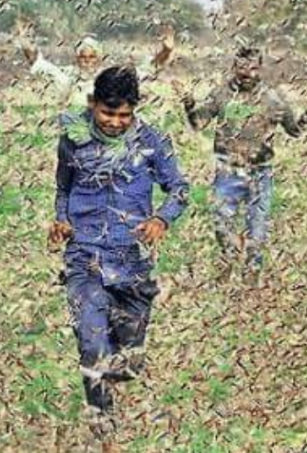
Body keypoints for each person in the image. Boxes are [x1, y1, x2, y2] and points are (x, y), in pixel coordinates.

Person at [49, 66, 189, 440]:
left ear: (135, 111)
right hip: (85, 258)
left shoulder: (152, 142)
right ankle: (105, 435)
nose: (114, 122)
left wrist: (161, 219)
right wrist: (61, 221)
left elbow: (180, 189)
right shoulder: (72, 138)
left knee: (127, 362)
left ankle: (113, 380)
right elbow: (63, 189)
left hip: (131, 261)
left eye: (123, 115)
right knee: (93, 346)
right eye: (107, 113)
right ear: (93, 104)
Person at [182, 46, 307, 285]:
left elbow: (294, 130)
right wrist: (189, 105)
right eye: (241, 68)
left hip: (260, 172)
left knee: (257, 227)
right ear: (234, 67)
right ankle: (226, 264)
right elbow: (199, 123)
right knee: (221, 221)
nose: (246, 74)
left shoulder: (273, 99)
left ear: (260, 69)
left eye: (252, 68)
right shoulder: (221, 94)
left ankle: (251, 277)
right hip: (228, 170)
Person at [21, 35, 104, 109]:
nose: (87, 61)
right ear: (77, 59)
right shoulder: (68, 74)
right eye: (83, 57)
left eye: (92, 57)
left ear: (98, 59)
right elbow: (39, 64)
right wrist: (25, 40)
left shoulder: (106, 78)